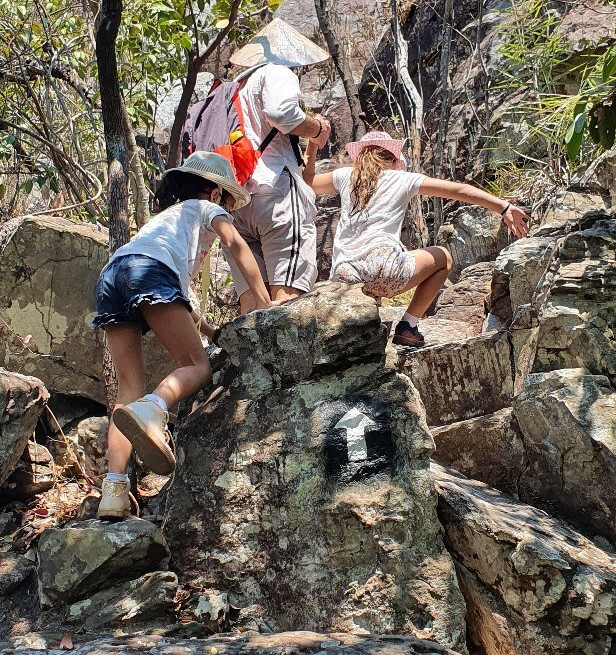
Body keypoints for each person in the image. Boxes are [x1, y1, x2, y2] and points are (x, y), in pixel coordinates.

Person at [92, 151, 272, 519]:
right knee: (197, 366)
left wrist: (210, 331)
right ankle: (154, 409)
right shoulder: (205, 210)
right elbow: (237, 245)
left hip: (113, 274)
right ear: (213, 192)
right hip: (149, 272)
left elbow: (180, 302)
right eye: (225, 199)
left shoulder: (164, 223)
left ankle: (113, 492)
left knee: (128, 389)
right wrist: (267, 303)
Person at [303, 131, 530, 348]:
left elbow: (308, 181)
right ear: (392, 159)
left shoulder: (345, 176)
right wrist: (504, 207)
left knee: (369, 304)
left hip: (344, 277)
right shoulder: (402, 179)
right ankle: (408, 327)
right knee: (443, 258)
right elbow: (459, 190)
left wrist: (312, 145)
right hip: (386, 270)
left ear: (361, 157)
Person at [224, 18, 332, 314]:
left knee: (252, 302)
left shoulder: (232, 88)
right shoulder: (276, 71)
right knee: (288, 299)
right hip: (276, 193)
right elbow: (281, 112)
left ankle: (249, 361)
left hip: (234, 199)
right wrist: (316, 128)